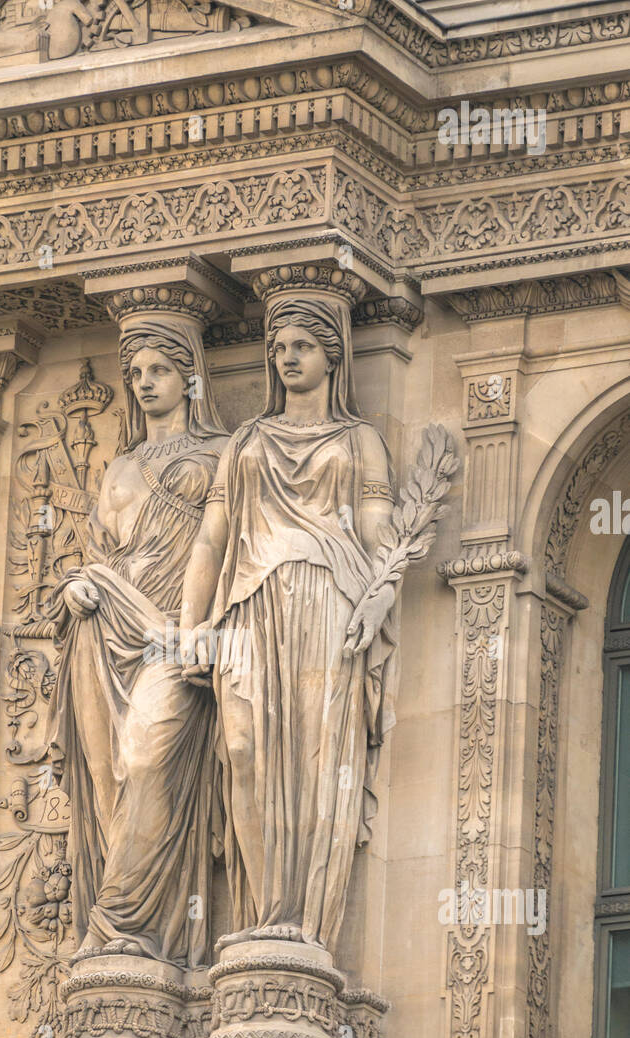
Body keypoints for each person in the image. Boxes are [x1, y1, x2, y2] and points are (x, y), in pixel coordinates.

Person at [180, 285, 398, 955]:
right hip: (248, 606)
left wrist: (383, 590)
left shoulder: (358, 441)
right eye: (277, 349)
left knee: (314, 759)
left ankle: (300, 920)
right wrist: (191, 628)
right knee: (244, 751)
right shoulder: (246, 441)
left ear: (332, 355)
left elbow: (376, 525)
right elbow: (211, 541)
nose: (287, 359)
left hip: (326, 603)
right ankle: (260, 905)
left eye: (302, 346)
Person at [50, 309, 228, 967]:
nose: (146, 383)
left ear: (190, 377)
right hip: (103, 630)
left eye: (160, 370)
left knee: (146, 763)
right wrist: (74, 590)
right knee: (104, 786)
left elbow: (230, 549)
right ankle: (118, 936)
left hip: (170, 637)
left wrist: (201, 626)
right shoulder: (119, 467)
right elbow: (96, 553)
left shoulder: (222, 454)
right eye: (136, 373)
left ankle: (125, 923)